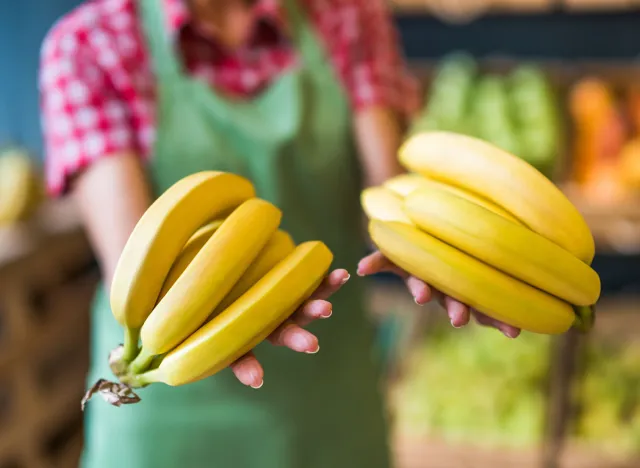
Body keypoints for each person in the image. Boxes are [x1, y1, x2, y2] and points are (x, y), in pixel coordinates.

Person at [39, 0, 520, 466]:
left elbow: (387, 197)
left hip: (329, 397)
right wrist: (240, 318)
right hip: (172, 403)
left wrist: (436, 255)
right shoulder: (87, 46)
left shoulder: (348, 15)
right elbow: (137, 262)